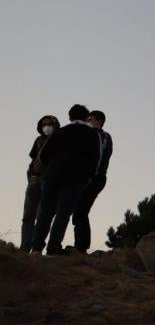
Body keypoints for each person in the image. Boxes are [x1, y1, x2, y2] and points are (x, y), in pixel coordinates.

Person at [28, 104, 102, 255]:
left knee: (45, 212)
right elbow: (96, 159)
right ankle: (53, 248)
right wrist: (88, 177)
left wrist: (51, 168)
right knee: (63, 213)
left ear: (69, 117)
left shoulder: (60, 132)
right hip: (76, 179)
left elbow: (44, 154)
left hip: (52, 176)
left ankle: (36, 248)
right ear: (85, 117)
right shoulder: (93, 135)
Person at [69, 109, 111, 254]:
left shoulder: (103, 136)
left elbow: (100, 157)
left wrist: (91, 175)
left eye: (90, 119)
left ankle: (81, 247)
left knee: (80, 211)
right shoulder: (90, 134)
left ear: (99, 121)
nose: (87, 122)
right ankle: (80, 246)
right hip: (86, 177)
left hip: (94, 178)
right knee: (79, 211)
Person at [21, 114, 59, 252]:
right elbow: (33, 157)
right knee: (27, 217)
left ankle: (36, 249)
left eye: (49, 124)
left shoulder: (59, 139)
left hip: (48, 180)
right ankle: (24, 248)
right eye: (43, 124)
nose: (46, 126)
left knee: (42, 216)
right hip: (34, 179)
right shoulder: (38, 140)